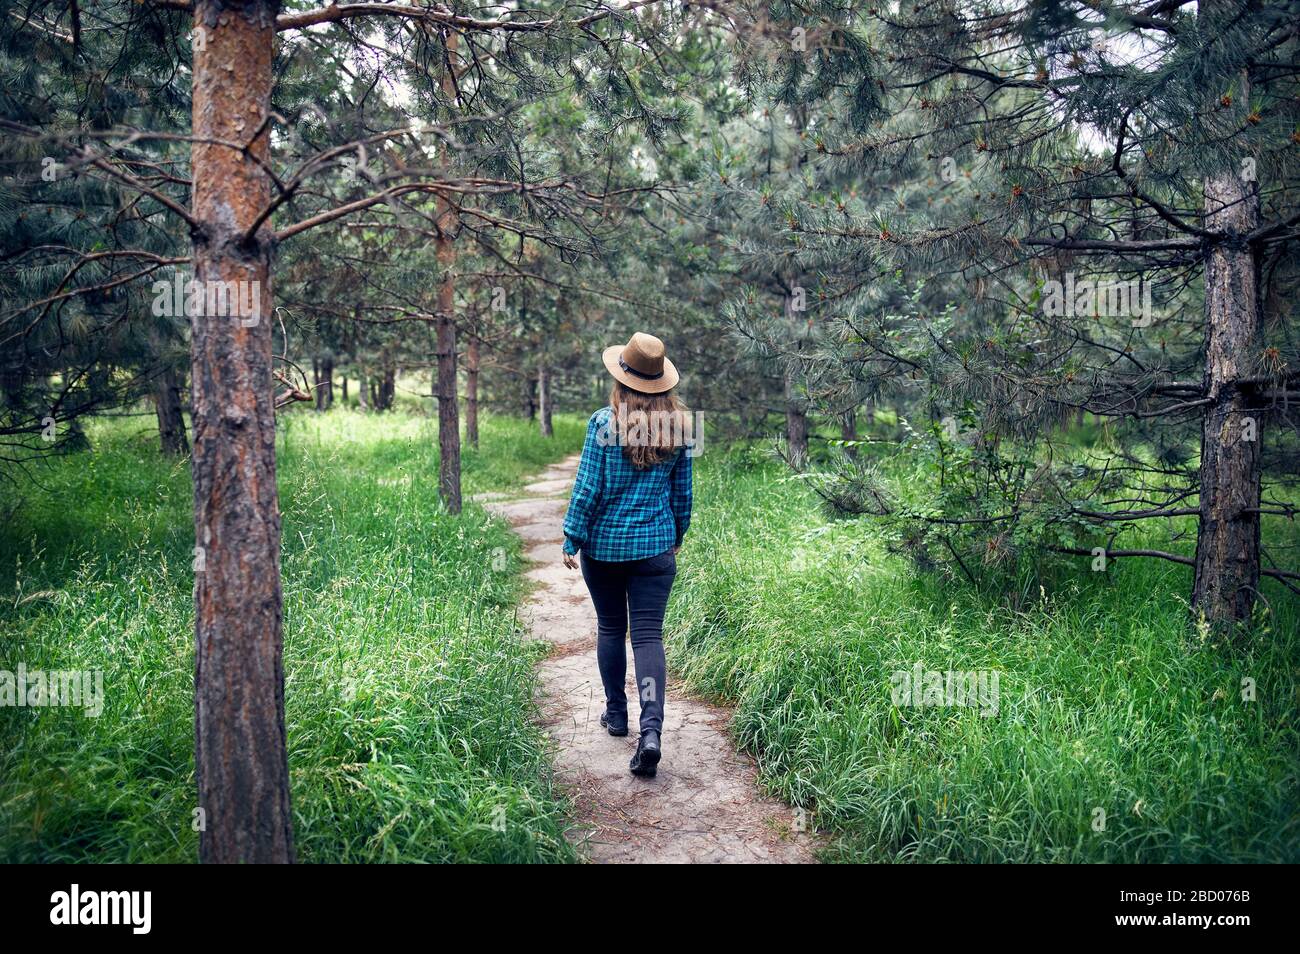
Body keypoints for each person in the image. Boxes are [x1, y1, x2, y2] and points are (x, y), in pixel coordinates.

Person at [561, 332, 693, 778]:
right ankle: (650, 730)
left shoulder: (603, 423)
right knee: (649, 637)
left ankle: (616, 714)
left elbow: (588, 488)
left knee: (612, 628)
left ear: (622, 378)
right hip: (656, 548)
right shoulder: (678, 427)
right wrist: (676, 534)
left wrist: (571, 536)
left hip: (605, 549)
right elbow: (683, 494)